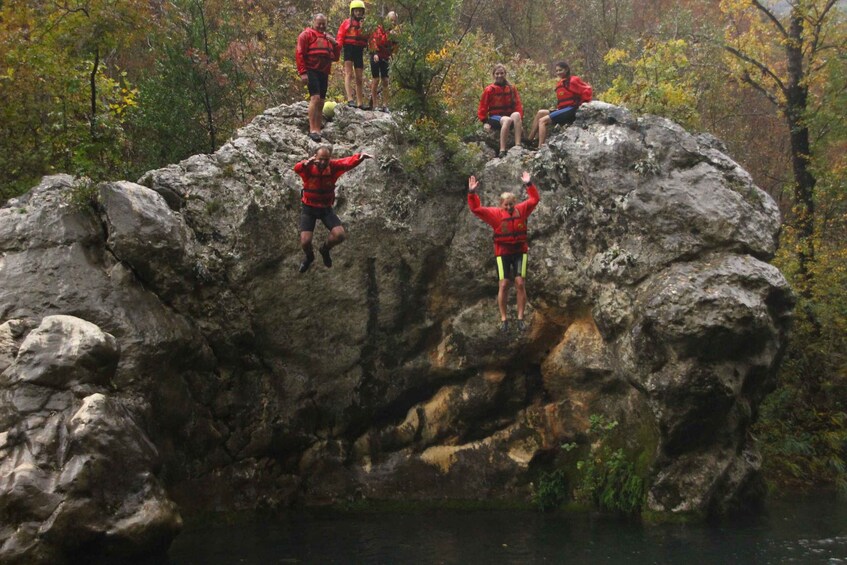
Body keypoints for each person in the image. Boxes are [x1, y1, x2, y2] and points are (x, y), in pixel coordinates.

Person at [467, 170, 540, 332]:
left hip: (520, 251)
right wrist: (472, 192)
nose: (508, 207)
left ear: (514, 204)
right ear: (501, 205)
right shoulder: (494, 214)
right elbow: (476, 209)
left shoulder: (521, 210)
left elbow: (535, 199)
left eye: (511, 204)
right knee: (504, 283)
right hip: (503, 253)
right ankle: (504, 319)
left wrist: (529, 184)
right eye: (505, 205)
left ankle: (520, 318)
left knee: (520, 282)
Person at [293, 146, 373, 273]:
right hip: (309, 208)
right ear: (315, 157)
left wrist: (360, 157)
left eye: (326, 159)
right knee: (305, 242)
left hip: (325, 208)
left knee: (340, 235)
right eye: (321, 159)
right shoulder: (308, 167)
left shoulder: (332, 167)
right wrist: (306, 163)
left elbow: (346, 162)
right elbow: (297, 168)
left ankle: (324, 250)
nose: (324, 162)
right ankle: (309, 257)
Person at [296, 13, 341, 142]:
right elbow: (299, 53)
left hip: (324, 72)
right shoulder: (306, 35)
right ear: (313, 23)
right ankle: (312, 129)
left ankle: (318, 129)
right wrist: (303, 72)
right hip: (311, 70)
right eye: (319, 23)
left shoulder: (328, 38)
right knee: (315, 98)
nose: (321, 26)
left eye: (323, 24)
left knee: (321, 101)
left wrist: (335, 43)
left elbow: (336, 57)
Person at [528, 62, 592, 147]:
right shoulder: (561, 83)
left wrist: (583, 104)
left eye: (560, 70)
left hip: (572, 109)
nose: (558, 72)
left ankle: (540, 147)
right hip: (564, 109)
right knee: (540, 113)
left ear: (566, 70)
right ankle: (529, 140)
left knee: (542, 121)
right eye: (557, 71)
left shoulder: (573, 80)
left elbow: (586, 89)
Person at [477, 64, 524, 158]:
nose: (499, 75)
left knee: (517, 115)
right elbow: (483, 106)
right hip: (495, 118)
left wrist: (519, 120)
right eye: (497, 73)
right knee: (507, 120)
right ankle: (502, 150)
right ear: (493, 75)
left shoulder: (511, 88)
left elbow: (517, 104)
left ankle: (518, 145)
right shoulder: (489, 89)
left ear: (505, 74)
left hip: (508, 117)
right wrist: (484, 122)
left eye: (501, 73)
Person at [337, 0, 369, 108]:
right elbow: (340, 36)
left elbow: (370, 38)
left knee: (359, 77)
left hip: (358, 50)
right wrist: (337, 48)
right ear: (352, 12)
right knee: (348, 73)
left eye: (360, 11)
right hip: (349, 49)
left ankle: (360, 102)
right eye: (356, 11)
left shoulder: (365, 25)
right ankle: (350, 99)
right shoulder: (346, 23)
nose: (358, 13)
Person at [368, 11, 398, 112]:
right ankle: (375, 105)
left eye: (394, 21)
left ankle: (385, 105)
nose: (392, 23)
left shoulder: (395, 32)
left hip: (386, 57)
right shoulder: (379, 29)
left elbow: (395, 49)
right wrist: (375, 53)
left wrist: (396, 40)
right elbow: (375, 41)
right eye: (391, 20)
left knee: (385, 80)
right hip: (376, 55)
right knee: (375, 80)